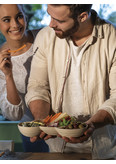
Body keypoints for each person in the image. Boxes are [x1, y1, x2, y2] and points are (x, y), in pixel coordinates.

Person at [25, 4, 116, 159]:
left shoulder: (113, 37)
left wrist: (91, 124)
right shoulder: (45, 36)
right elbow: (38, 86)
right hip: (56, 149)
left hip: (104, 150)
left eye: (58, 20)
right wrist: (42, 120)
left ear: (82, 17)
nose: (50, 24)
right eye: (49, 15)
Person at [0, 4, 49, 152]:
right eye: (6, 19)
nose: (15, 24)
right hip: (34, 133)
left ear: (25, 16)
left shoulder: (45, 37)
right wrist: (8, 75)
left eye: (19, 16)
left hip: (65, 123)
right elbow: (14, 115)